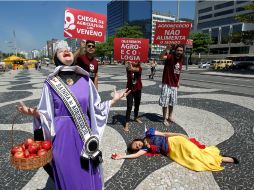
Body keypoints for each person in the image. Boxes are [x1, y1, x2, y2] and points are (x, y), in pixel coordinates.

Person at [16, 45, 130, 190]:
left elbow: (95, 108)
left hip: (84, 135)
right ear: (56, 58)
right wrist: (35, 114)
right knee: (68, 174)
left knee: (87, 172)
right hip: (62, 137)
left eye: (68, 48)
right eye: (60, 50)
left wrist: (113, 100)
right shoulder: (50, 83)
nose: (65, 50)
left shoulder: (85, 80)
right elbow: (46, 113)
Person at [112, 128, 239, 172]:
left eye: (137, 144)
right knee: (193, 161)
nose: (139, 146)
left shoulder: (150, 133)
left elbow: (165, 134)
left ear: (137, 139)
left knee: (196, 153)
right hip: (173, 152)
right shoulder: (145, 149)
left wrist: (180, 134)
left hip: (175, 142)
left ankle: (222, 158)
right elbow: (134, 156)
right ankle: (220, 159)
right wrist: (121, 156)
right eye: (136, 148)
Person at [159, 44, 184, 127]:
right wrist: (166, 49)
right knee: (165, 102)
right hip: (167, 83)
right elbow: (161, 57)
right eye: (178, 50)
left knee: (172, 102)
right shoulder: (170, 57)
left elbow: (178, 72)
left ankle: (169, 117)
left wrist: (178, 81)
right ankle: (164, 118)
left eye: (181, 50)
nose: (179, 52)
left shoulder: (181, 59)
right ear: (175, 50)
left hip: (174, 84)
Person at [124, 61, 143, 132]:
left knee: (137, 104)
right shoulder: (128, 68)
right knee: (129, 106)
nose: (134, 62)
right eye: (133, 60)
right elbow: (130, 69)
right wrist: (129, 63)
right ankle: (127, 122)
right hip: (129, 90)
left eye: (136, 61)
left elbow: (135, 70)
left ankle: (135, 117)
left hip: (138, 89)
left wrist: (131, 64)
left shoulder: (140, 68)